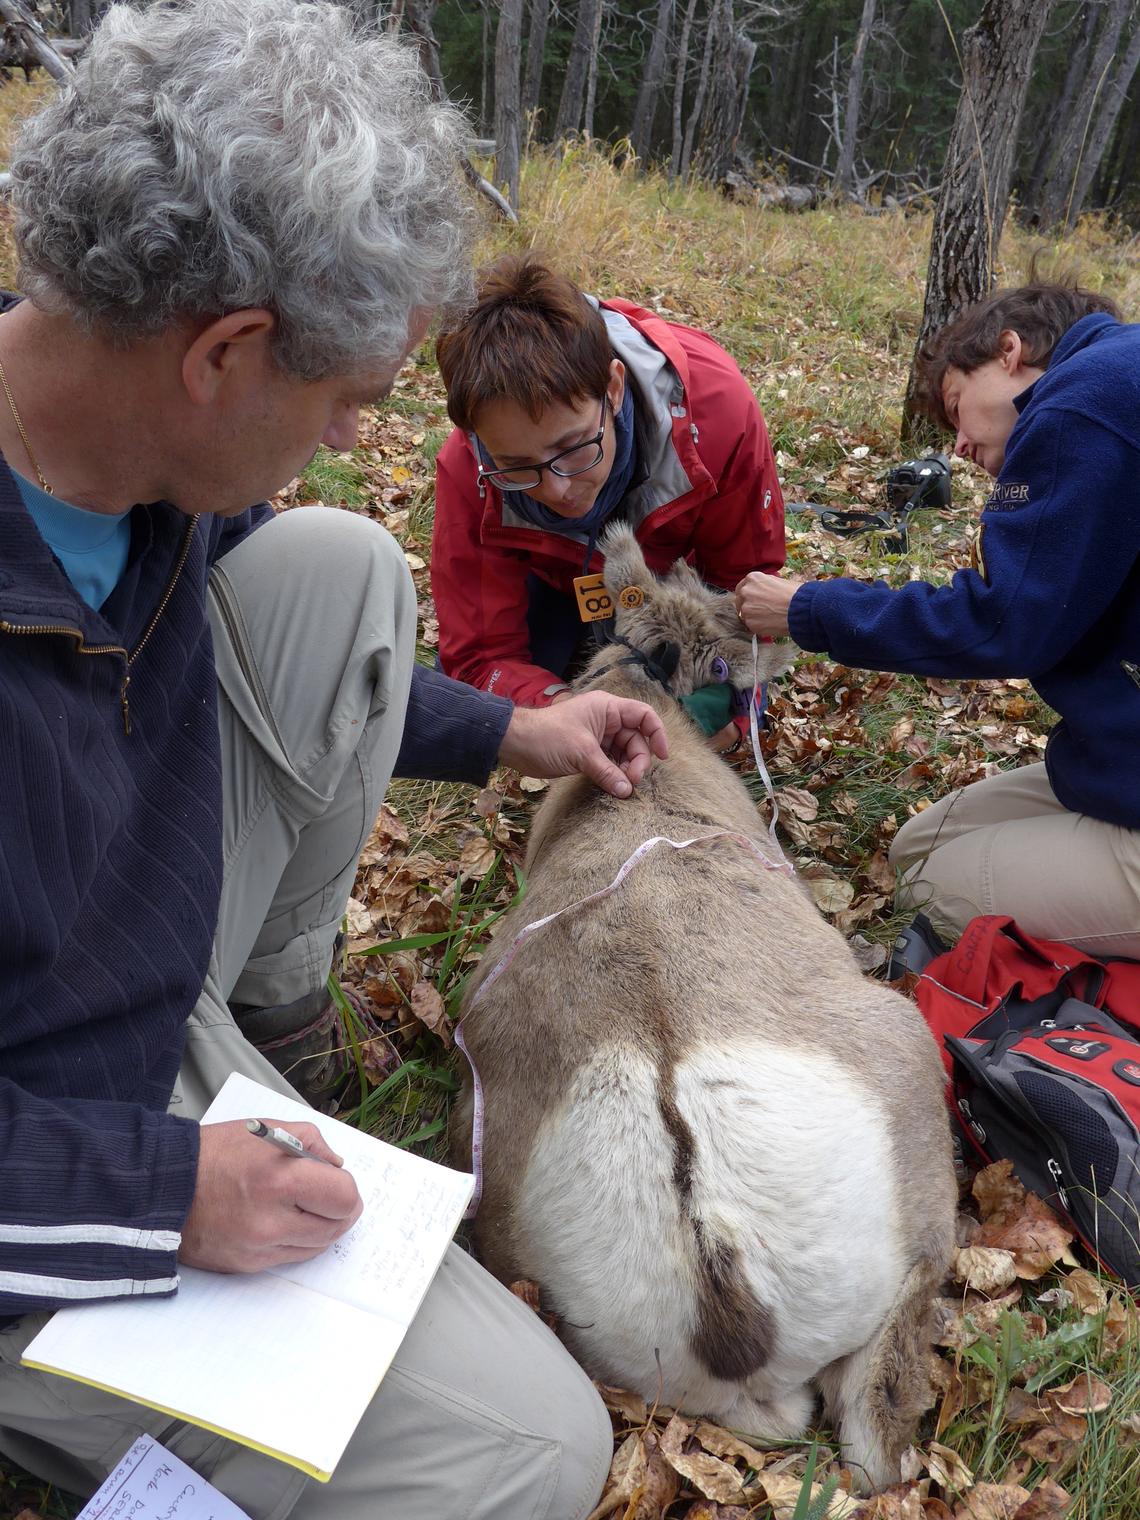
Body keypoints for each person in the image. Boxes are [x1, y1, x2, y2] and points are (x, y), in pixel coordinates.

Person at [0, 4, 671, 1517]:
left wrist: (518, 730)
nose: (362, 435)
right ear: (226, 352)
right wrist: (164, 1199)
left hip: (128, 997)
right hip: (43, 1155)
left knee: (332, 568)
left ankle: (252, 1025)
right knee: (528, 1450)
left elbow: (304, 647)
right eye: (350, 399)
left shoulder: (131, 465)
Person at [734, 281, 1140, 960]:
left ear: (1010, 351)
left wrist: (809, 609)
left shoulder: (1079, 405)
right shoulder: (1116, 380)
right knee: (914, 848)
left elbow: (1005, 622)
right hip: (1118, 761)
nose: (955, 447)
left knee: (928, 888)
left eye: (958, 409)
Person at [431, 254, 785, 743]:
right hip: (549, 583)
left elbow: (745, 592)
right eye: (516, 467)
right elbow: (481, 655)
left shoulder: (719, 415)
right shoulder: (469, 465)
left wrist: (734, 711)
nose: (555, 489)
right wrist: (560, 713)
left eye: (573, 448)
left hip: (671, 588)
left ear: (613, 388)